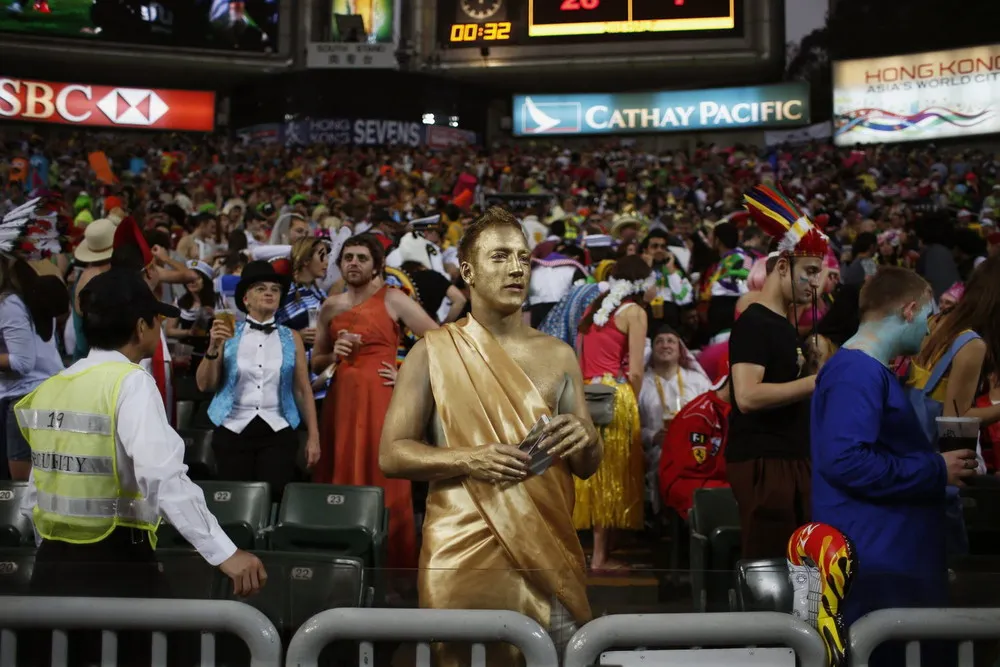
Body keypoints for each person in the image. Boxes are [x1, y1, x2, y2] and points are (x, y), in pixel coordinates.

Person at [379, 207, 599, 666]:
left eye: (523, 257)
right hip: (462, 546)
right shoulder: (431, 351)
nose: (517, 268)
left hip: (548, 544)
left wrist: (585, 435)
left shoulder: (559, 354)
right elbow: (392, 454)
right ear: (469, 271)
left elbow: (586, 464)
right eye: (500, 256)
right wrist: (469, 458)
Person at [15, 270, 266, 662]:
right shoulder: (129, 383)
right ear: (140, 326)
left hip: (50, 569)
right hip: (116, 567)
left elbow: (38, 484)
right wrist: (224, 553)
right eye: (156, 318)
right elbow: (162, 476)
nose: (161, 325)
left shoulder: (53, 385)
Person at [812, 266, 977, 667]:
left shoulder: (862, 370)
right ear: (909, 310)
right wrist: (936, 469)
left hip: (886, 551)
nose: (929, 328)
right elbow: (846, 461)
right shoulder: (857, 372)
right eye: (928, 315)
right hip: (878, 559)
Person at [311, 233, 437, 570]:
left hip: (382, 399)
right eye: (348, 257)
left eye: (362, 258)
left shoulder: (393, 298)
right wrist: (330, 354)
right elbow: (316, 361)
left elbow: (438, 340)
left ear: (377, 265)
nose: (354, 263)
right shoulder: (330, 306)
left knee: (384, 475)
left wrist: (407, 374)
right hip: (340, 402)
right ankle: (340, 569)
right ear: (340, 265)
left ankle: (389, 570)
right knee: (340, 472)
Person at [725, 185, 825, 560]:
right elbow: (748, 396)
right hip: (765, 462)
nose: (816, 283)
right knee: (770, 563)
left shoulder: (783, 324)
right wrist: (817, 382)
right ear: (783, 266)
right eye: (810, 272)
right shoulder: (755, 322)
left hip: (788, 458)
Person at [196, 261, 320, 500]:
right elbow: (205, 385)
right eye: (261, 288)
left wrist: (314, 437)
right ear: (246, 299)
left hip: (278, 431)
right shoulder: (228, 332)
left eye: (275, 289)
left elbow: (303, 390)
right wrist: (213, 347)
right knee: (233, 500)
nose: (269, 293)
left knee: (273, 499)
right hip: (233, 429)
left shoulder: (292, 337)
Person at [575, 255, 651, 572]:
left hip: (584, 394)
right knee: (611, 478)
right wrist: (631, 404)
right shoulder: (635, 312)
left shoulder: (592, 311)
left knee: (589, 478)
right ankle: (600, 558)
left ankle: (591, 554)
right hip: (614, 398)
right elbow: (635, 372)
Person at [638, 326, 712, 514]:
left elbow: (713, 417)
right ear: (652, 349)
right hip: (655, 452)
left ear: (681, 350)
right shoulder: (640, 385)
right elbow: (633, 425)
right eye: (659, 341)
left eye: (670, 341)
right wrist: (653, 436)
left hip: (695, 448)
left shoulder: (698, 381)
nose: (665, 345)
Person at [659, 375, 731, 520]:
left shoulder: (729, 410)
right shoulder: (699, 416)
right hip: (685, 480)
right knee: (743, 498)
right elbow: (695, 466)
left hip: (710, 477)